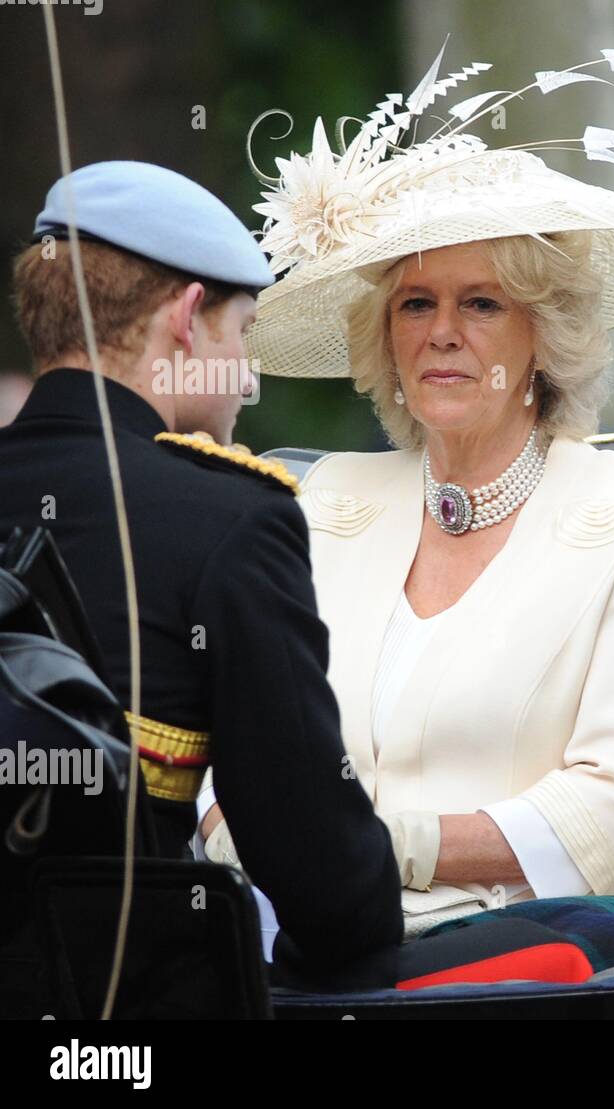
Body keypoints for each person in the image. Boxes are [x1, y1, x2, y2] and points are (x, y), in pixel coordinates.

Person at [198, 49, 614, 936]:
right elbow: (226, 754)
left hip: (538, 952)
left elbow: (611, 806)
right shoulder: (326, 496)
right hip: (306, 933)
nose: (442, 333)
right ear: (384, 338)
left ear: (542, 332)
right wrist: (279, 856)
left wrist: (371, 846)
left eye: (481, 303)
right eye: (414, 304)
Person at [0, 160, 401, 966]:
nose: (246, 376)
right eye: (242, 332)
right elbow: (325, 882)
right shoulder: (229, 518)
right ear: (187, 318)